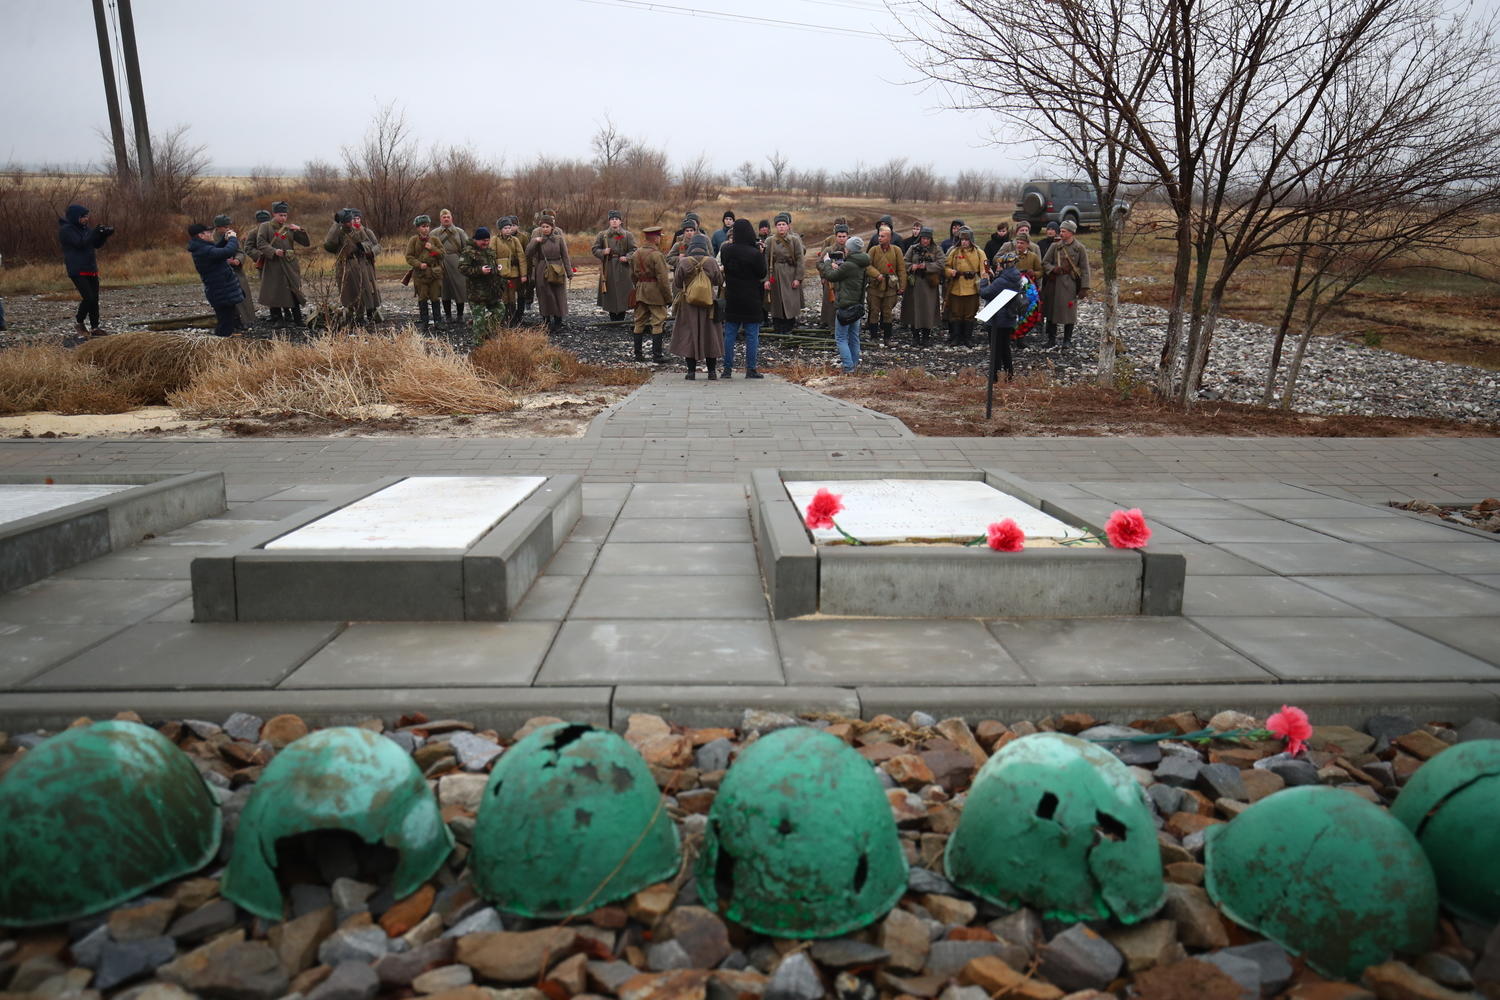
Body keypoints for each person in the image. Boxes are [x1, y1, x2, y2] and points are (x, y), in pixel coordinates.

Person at [671, 233, 724, 380]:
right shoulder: (711, 262)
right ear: (705, 247)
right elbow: (719, 281)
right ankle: (712, 372)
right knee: (711, 334)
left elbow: (677, 283)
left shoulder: (684, 262)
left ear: (691, 246)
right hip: (709, 303)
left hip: (689, 303)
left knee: (689, 334)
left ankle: (691, 372)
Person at [719, 218, 768, 379]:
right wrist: (761, 253)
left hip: (732, 296)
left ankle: (727, 369)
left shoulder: (726, 250)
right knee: (752, 335)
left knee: (730, 334)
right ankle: (751, 369)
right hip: (751, 298)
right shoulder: (754, 253)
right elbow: (762, 273)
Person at [57, 204, 114, 337]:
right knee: (88, 298)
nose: (86, 219)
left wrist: (104, 235)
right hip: (77, 269)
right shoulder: (66, 230)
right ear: (75, 217)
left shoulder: (86, 229)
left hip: (90, 267)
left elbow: (96, 244)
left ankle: (95, 327)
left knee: (95, 299)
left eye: (87, 216)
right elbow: (80, 243)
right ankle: (79, 322)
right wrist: (95, 232)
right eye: (83, 217)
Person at [818, 235, 872, 374]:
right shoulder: (862, 263)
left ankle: (848, 367)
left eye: (847, 247)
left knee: (841, 338)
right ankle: (854, 365)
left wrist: (827, 262)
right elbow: (849, 275)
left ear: (850, 249)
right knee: (854, 337)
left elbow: (831, 276)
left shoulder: (849, 265)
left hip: (845, 305)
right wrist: (840, 267)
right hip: (857, 305)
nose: (845, 249)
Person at [252, 201, 309, 326]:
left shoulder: (289, 228)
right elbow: (261, 243)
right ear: (274, 214)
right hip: (273, 264)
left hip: (289, 264)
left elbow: (306, 243)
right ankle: (278, 319)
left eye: (285, 215)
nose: (283, 218)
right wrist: (273, 251)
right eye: (281, 215)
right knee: (274, 291)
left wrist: (299, 230)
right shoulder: (265, 226)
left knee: (293, 290)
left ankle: (298, 319)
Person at [186, 222, 246, 337]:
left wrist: (224, 239)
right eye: (208, 232)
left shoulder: (202, 247)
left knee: (227, 318)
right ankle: (221, 341)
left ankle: (225, 337)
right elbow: (227, 252)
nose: (211, 234)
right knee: (225, 321)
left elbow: (216, 250)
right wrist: (232, 238)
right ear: (201, 235)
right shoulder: (203, 250)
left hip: (221, 289)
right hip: (220, 290)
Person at [323, 208, 381, 325]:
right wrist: (336, 224)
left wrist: (363, 247)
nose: (352, 222)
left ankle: (361, 316)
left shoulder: (360, 231)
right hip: (344, 266)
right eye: (350, 220)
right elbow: (329, 245)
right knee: (347, 293)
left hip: (359, 265)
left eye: (354, 219)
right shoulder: (338, 232)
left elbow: (371, 243)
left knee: (362, 291)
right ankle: (349, 317)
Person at [1042, 219, 1090, 349]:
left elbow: (1085, 269)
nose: (1061, 233)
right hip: (1055, 283)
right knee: (1052, 311)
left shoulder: (1079, 248)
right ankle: (1051, 339)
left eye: (1064, 231)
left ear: (1071, 232)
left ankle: (1067, 340)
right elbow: (1045, 262)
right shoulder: (1055, 246)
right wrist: (1053, 269)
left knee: (1070, 312)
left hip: (1070, 284)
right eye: (1061, 231)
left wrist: (1084, 287)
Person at [979, 250, 1025, 381]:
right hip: (1009, 318)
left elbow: (985, 293)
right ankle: (1009, 376)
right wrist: (994, 278)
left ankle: (995, 377)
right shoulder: (1015, 277)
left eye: (999, 265)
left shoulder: (1002, 281)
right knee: (1005, 348)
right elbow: (1000, 288)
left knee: (995, 350)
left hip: (997, 318)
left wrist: (984, 279)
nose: (997, 267)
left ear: (1005, 265)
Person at [631, 225, 672, 363]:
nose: (660, 239)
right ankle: (657, 356)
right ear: (655, 238)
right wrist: (668, 298)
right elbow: (663, 279)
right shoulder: (657, 255)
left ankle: (638, 355)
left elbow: (632, 275)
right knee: (658, 322)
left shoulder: (636, 254)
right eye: (659, 236)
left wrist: (639, 286)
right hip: (655, 292)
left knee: (639, 322)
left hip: (640, 290)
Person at [459, 226, 504, 344]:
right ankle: (479, 346)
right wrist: (480, 270)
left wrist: (496, 268)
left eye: (488, 240)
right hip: (476, 293)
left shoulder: (489, 251)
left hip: (491, 291)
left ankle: (486, 331)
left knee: (500, 310)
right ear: (476, 240)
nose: (486, 243)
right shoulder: (468, 252)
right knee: (479, 321)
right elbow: (463, 269)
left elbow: (492, 265)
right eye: (483, 240)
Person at [526, 217, 572, 333]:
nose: (545, 229)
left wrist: (569, 272)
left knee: (558, 294)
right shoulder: (538, 240)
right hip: (542, 268)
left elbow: (565, 256)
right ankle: (546, 321)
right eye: (543, 227)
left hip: (557, 268)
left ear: (552, 227)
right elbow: (528, 253)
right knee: (544, 294)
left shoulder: (559, 239)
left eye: (547, 226)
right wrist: (534, 241)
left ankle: (558, 321)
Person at [212, 214, 257, 329]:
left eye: (228, 226)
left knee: (242, 296)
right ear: (218, 227)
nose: (228, 229)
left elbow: (240, 252)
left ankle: (247, 320)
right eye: (225, 227)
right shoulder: (211, 239)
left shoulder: (231, 236)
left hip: (236, 272)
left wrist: (237, 260)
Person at [763, 211, 804, 335]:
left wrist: (798, 278)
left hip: (790, 273)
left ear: (788, 226)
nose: (781, 227)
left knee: (790, 300)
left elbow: (800, 259)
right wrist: (766, 279)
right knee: (776, 301)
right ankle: (778, 326)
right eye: (779, 224)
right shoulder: (770, 241)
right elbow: (765, 261)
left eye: (783, 224)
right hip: (775, 273)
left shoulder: (795, 240)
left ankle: (789, 324)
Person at [865, 225, 907, 348]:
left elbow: (901, 269)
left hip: (890, 287)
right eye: (879, 236)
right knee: (874, 311)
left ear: (889, 238)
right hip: (875, 286)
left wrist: (902, 286)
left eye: (882, 236)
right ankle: (873, 337)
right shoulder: (873, 250)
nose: (879, 238)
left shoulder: (896, 251)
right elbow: (867, 265)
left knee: (888, 313)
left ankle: (887, 338)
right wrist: (876, 274)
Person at [944, 226, 985, 346]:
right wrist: (950, 272)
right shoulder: (954, 252)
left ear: (971, 240)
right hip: (956, 287)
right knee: (955, 313)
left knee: (970, 314)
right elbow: (946, 266)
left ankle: (968, 338)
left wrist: (984, 279)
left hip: (972, 287)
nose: (964, 242)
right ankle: (956, 337)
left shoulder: (979, 252)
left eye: (966, 240)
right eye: (962, 240)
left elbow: (984, 268)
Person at [592, 210, 636, 322]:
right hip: (609, 267)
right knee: (610, 292)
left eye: (616, 219)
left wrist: (627, 257)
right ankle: (613, 317)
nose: (614, 221)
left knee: (624, 292)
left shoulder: (628, 235)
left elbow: (634, 250)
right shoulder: (602, 235)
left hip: (623, 268)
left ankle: (621, 316)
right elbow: (595, 249)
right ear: (609, 221)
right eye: (612, 219)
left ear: (620, 221)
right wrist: (603, 252)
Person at [903, 227, 943, 347]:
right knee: (914, 310)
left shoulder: (936, 249)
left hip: (929, 285)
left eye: (928, 239)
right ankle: (915, 337)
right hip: (914, 285)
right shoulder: (913, 248)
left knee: (928, 311)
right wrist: (912, 267)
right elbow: (904, 262)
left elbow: (941, 263)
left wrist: (927, 266)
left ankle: (926, 337)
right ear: (920, 238)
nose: (925, 241)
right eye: (924, 238)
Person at [405, 215, 445, 329]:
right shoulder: (413, 240)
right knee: (422, 298)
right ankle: (424, 322)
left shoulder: (435, 240)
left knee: (435, 298)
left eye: (427, 226)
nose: (426, 228)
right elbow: (409, 257)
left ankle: (438, 321)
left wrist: (432, 249)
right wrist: (419, 264)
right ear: (418, 228)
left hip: (434, 273)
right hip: (420, 274)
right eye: (423, 226)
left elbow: (442, 254)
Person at [431, 209, 469, 325]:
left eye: (448, 217)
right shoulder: (434, 233)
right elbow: (430, 250)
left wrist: (464, 261)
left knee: (460, 289)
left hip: (457, 263)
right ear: (440, 219)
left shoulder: (459, 232)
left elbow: (467, 248)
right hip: (441, 263)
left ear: (451, 218)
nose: (446, 219)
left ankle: (460, 315)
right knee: (445, 291)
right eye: (444, 217)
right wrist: (435, 256)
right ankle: (448, 316)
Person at [814, 222, 851, 330]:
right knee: (829, 304)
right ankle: (830, 325)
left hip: (846, 282)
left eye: (844, 236)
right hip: (831, 282)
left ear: (847, 236)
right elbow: (818, 263)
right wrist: (829, 265)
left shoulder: (850, 250)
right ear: (835, 236)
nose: (842, 239)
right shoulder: (828, 250)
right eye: (839, 236)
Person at [494, 217, 529, 326]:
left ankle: (513, 319)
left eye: (509, 228)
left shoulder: (515, 240)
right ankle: (504, 319)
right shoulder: (495, 240)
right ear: (500, 229)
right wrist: (494, 273)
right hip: (501, 274)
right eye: (505, 228)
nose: (508, 230)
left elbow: (521, 258)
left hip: (514, 274)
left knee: (512, 296)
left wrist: (523, 274)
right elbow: (491, 256)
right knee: (504, 297)